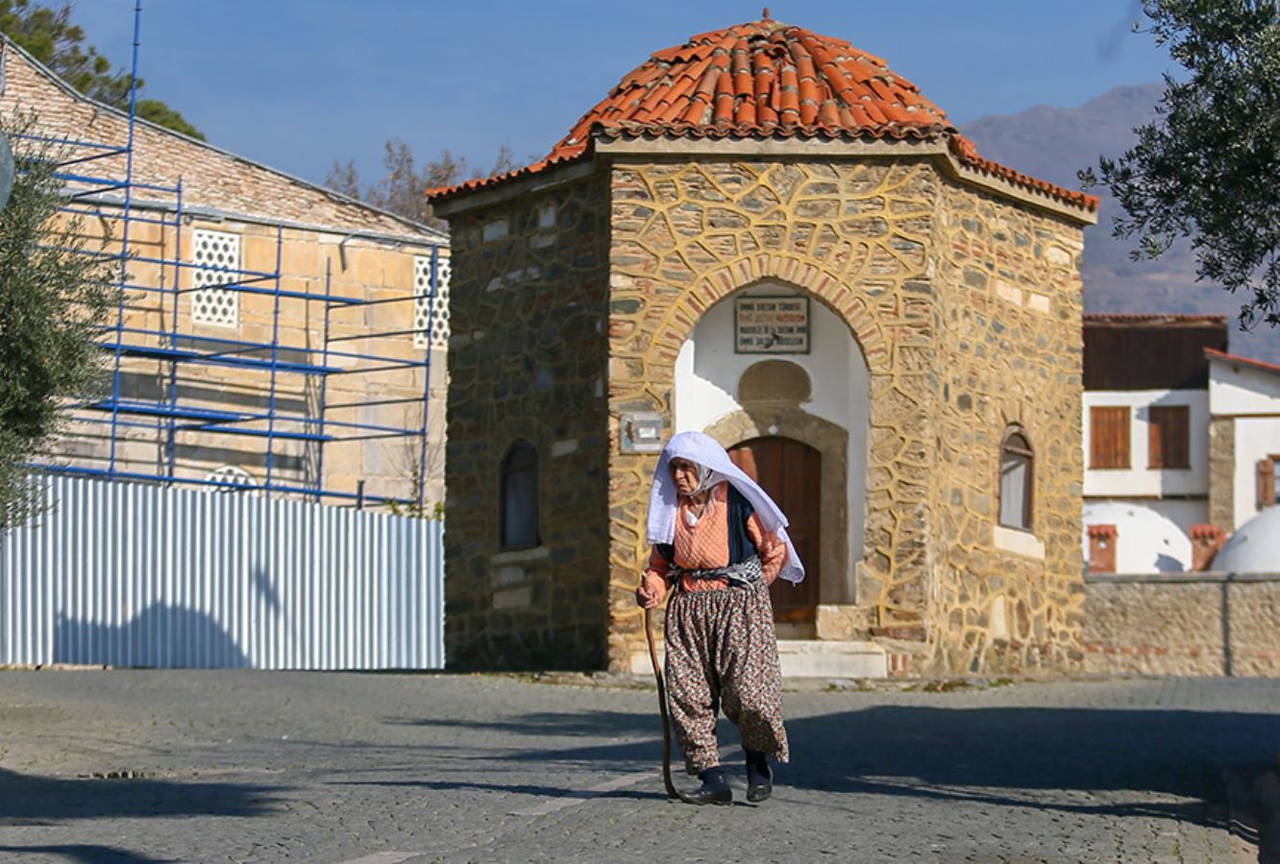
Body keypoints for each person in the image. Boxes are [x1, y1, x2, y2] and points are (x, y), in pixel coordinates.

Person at [636, 431, 805, 805]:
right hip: (688, 610)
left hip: (739, 608)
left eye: (686, 467)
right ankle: (712, 779)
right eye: (674, 468)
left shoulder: (737, 503)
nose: (679, 476)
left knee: (749, 692)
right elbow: (661, 565)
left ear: (706, 468)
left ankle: (758, 764)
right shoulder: (671, 511)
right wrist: (652, 587)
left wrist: (750, 591)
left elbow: (772, 550)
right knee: (688, 693)